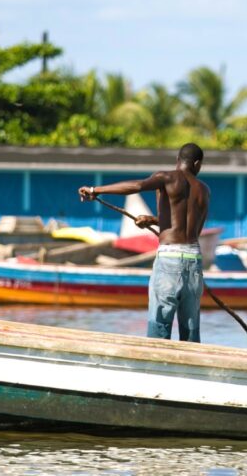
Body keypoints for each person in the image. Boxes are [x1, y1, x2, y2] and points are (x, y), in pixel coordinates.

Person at [78, 142, 210, 343]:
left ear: (178, 160)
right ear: (198, 163)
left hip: (169, 260)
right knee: (190, 331)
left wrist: (96, 190)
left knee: (159, 326)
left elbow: (137, 186)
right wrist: (154, 220)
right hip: (194, 260)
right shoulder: (204, 190)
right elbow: (192, 229)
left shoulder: (166, 177)